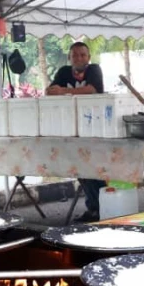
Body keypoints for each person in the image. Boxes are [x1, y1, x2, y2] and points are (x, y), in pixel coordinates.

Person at [46, 42, 105, 221]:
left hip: (96, 127)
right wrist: (53, 90)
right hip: (71, 129)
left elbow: (92, 89)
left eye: (82, 55)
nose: (79, 58)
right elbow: (49, 91)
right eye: (75, 55)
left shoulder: (95, 69)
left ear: (88, 57)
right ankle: (93, 208)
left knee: (96, 169)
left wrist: (63, 91)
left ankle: (102, 207)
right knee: (81, 169)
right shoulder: (64, 72)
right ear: (69, 58)